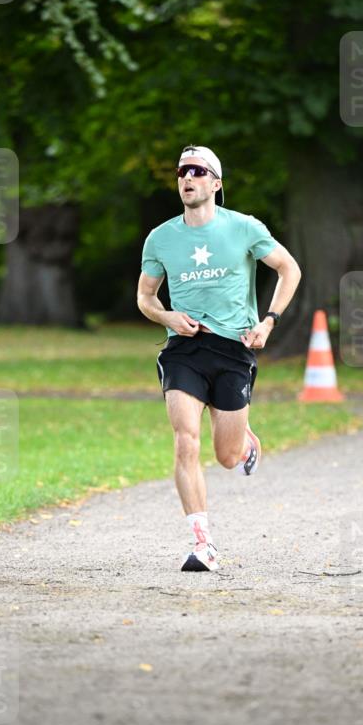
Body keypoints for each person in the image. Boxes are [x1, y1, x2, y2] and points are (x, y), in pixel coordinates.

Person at [137, 145, 301, 572]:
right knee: (185, 440)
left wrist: (268, 322)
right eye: (181, 171)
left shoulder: (243, 228)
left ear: (216, 182)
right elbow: (145, 297)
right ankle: (202, 543)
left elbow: (289, 269)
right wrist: (167, 315)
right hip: (184, 350)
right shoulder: (161, 238)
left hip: (233, 349)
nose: (187, 178)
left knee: (227, 457)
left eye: (197, 171)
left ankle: (243, 438)